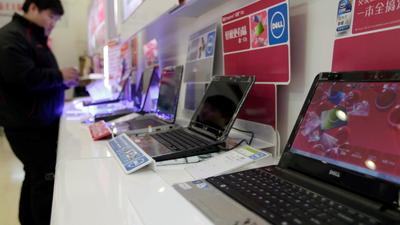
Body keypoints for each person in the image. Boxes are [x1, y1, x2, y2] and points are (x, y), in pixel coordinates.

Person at [0, 0, 79, 224]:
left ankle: (27, 219)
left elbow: (39, 76)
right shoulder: (11, 37)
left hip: (40, 122)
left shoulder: (33, 36)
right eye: (51, 16)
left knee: (35, 175)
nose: (53, 23)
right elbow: (22, 78)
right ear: (33, 8)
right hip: (28, 128)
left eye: (57, 19)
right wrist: (59, 76)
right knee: (45, 180)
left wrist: (62, 82)